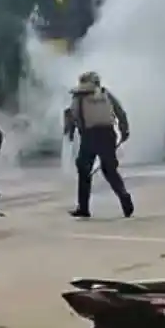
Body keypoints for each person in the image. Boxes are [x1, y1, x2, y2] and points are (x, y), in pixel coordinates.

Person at [65, 71, 133, 218]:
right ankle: (124, 196)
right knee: (110, 170)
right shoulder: (105, 94)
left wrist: (70, 132)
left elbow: (72, 115)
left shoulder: (79, 97)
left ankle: (83, 208)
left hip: (90, 136)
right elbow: (120, 112)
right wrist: (124, 130)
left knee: (84, 171)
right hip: (108, 134)